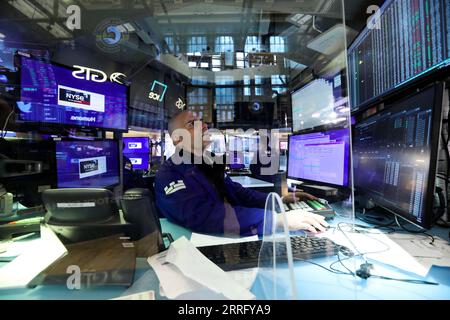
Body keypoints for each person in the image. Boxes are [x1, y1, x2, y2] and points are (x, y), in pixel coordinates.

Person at [155, 111, 328, 237]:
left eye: (202, 121)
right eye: (193, 123)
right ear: (177, 139)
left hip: (232, 235)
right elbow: (203, 216)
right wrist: (275, 220)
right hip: (201, 249)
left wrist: (278, 200)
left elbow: (239, 193)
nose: (205, 125)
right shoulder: (169, 174)